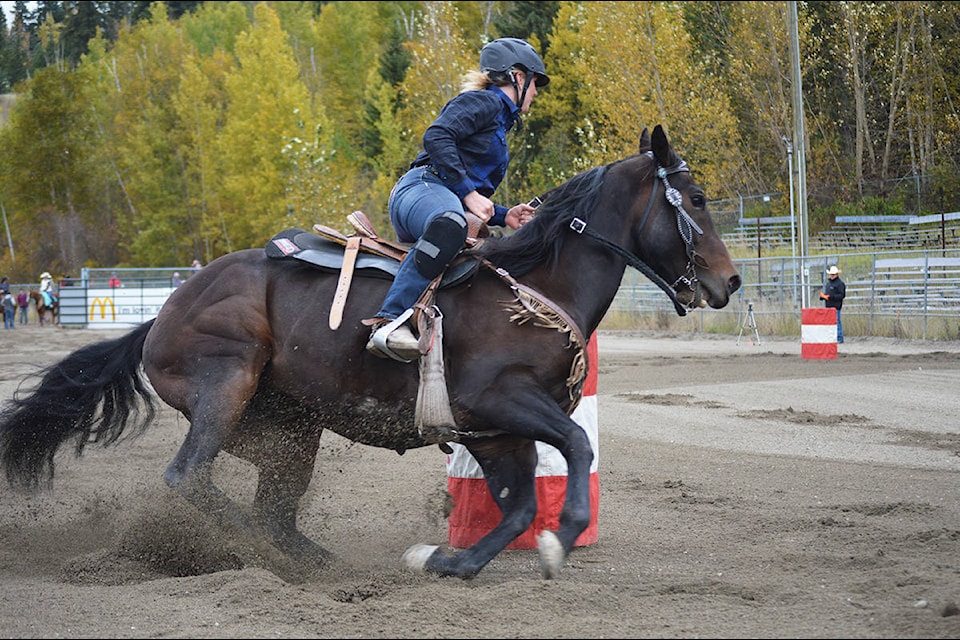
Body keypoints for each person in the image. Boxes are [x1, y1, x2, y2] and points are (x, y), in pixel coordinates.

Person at [363, 37, 548, 361]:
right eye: (535, 84)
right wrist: (468, 193)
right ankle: (389, 322)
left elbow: (467, 194)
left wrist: (504, 216)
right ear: (519, 77)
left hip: (438, 197)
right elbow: (437, 136)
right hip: (420, 188)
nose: (536, 93)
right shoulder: (484, 103)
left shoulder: (500, 123)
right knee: (450, 224)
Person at [820, 265, 846, 343]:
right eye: (831, 274)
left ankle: (839, 338)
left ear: (837, 274)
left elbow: (842, 295)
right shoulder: (829, 284)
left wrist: (831, 297)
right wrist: (823, 297)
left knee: (837, 322)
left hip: (836, 306)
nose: (832, 275)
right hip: (828, 306)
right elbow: (828, 294)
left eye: (833, 274)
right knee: (829, 323)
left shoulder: (840, 284)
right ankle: (832, 337)